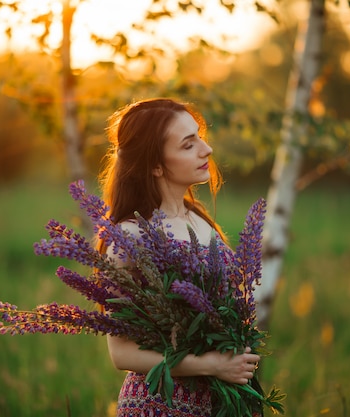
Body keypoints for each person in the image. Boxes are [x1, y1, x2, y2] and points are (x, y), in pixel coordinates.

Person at [97, 98, 260, 416]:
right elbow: (121, 354)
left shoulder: (197, 218)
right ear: (155, 165)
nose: (206, 149)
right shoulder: (130, 237)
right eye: (188, 145)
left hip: (219, 401)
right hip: (161, 404)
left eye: (199, 136)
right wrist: (210, 365)